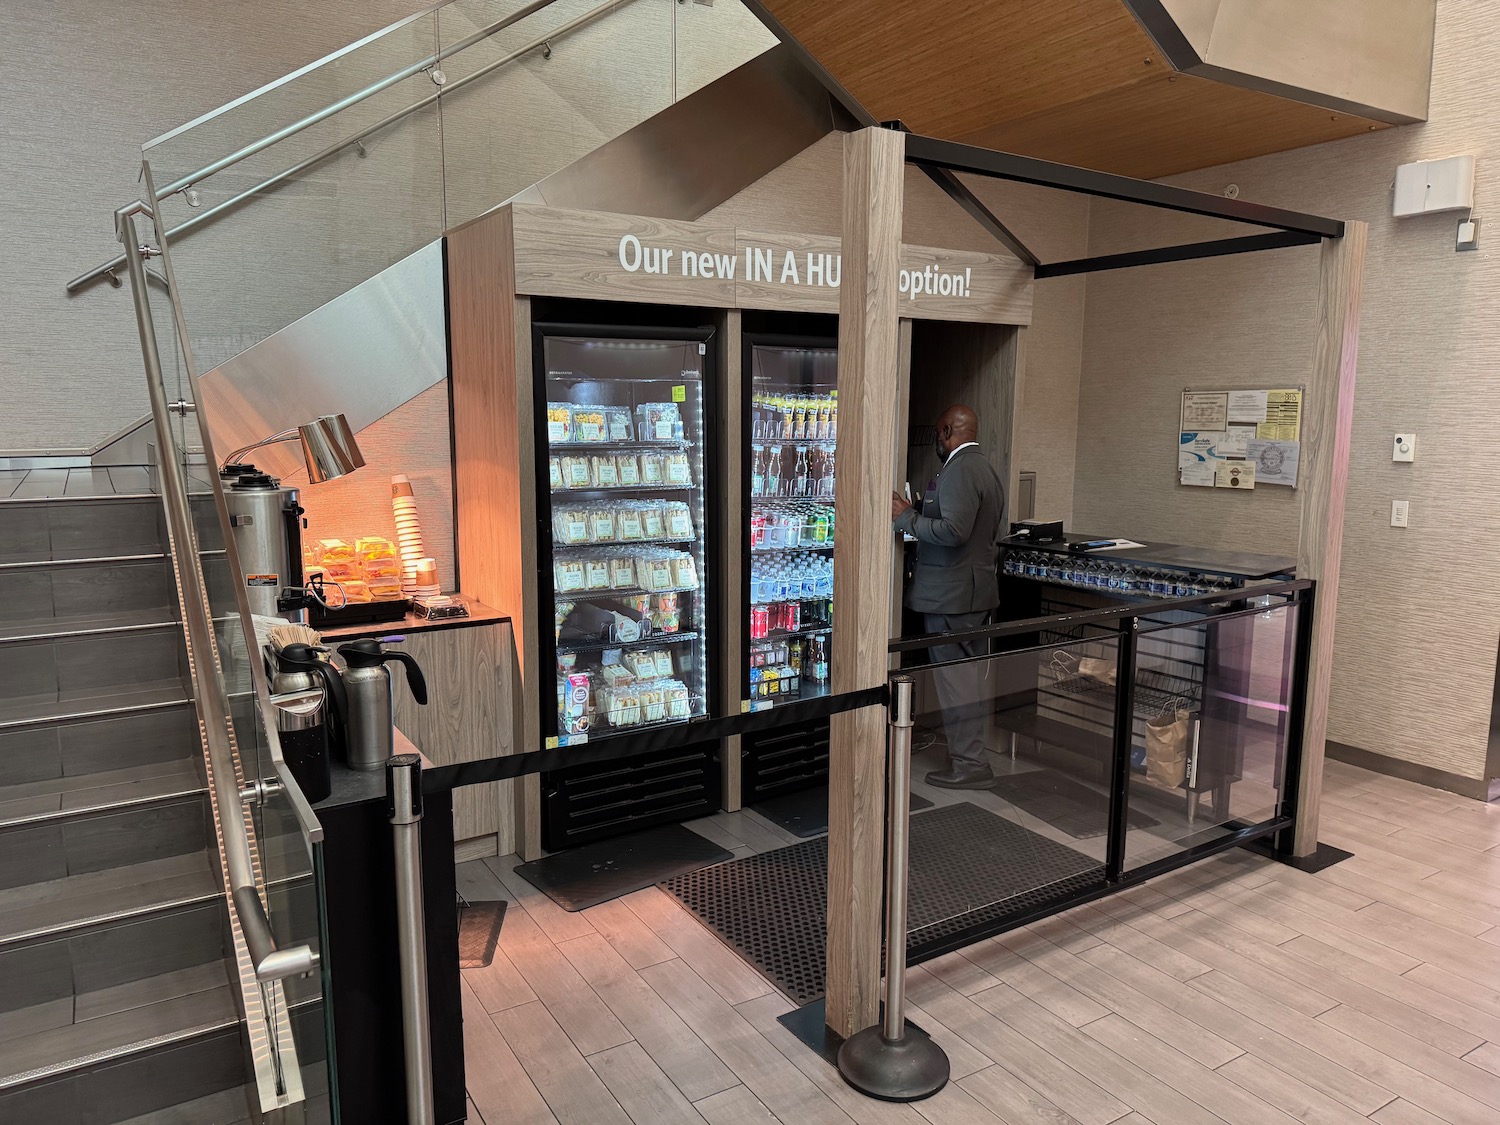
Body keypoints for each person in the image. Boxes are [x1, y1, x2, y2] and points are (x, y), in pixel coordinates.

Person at [892, 404, 1005, 788]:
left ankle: (970, 766)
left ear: (945, 432)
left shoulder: (959, 469)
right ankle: (972, 759)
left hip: (951, 596)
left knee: (957, 682)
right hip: (972, 592)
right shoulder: (984, 468)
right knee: (967, 680)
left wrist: (906, 519)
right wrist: (919, 510)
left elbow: (955, 531)